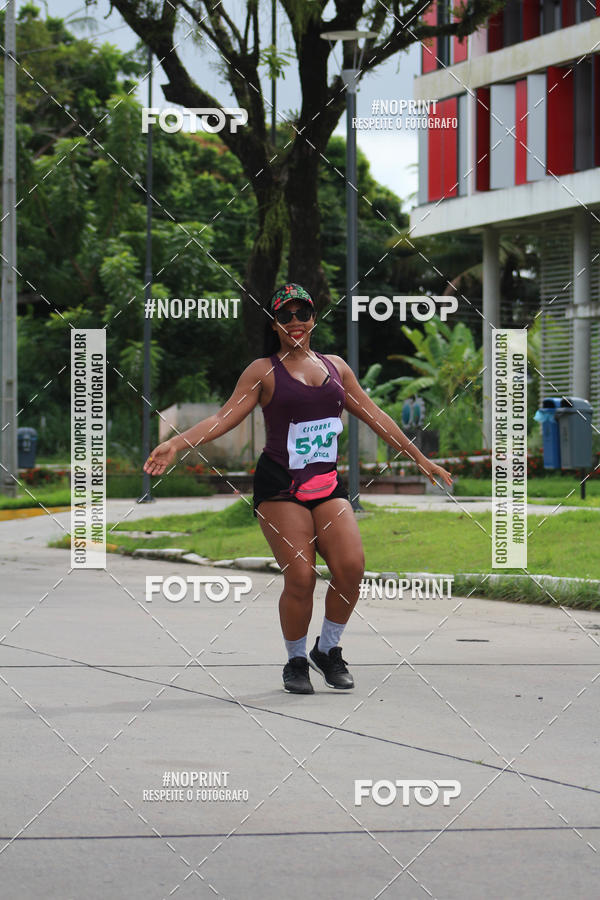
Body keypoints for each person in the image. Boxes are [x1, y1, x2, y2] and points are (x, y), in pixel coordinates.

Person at [143, 283, 453, 695]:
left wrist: (420, 458)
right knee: (302, 576)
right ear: (274, 323)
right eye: (285, 315)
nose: (295, 322)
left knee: (351, 567)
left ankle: (326, 650)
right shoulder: (263, 371)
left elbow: (375, 415)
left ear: (313, 318)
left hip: (326, 484)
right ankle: (294, 660)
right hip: (280, 485)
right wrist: (176, 443)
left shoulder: (336, 368)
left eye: (301, 313)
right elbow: (222, 419)